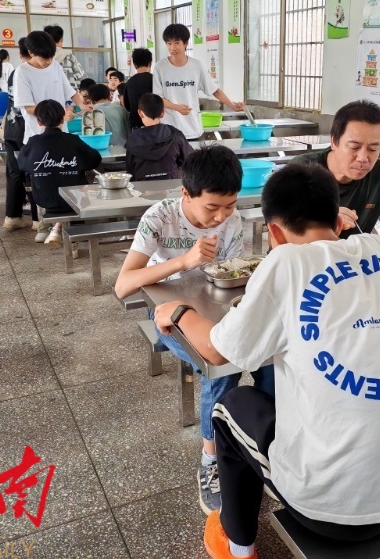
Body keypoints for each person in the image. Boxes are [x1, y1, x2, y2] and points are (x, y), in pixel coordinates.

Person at [152, 163, 380, 558]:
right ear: (338, 219)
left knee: (230, 407)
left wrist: (178, 312)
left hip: (336, 513)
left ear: (275, 233)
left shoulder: (285, 262)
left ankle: (237, 545)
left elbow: (217, 351)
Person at [114, 145, 275, 515]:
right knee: (220, 367)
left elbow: (230, 275)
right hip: (168, 317)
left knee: (270, 361)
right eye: (213, 207)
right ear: (186, 194)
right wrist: (184, 261)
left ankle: (267, 444)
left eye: (230, 206)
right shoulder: (160, 217)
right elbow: (123, 286)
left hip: (215, 309)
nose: (222, 216)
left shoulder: (232, 222)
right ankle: (211, 460)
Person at [292, 100, 380, 249]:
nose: (363, 158)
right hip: (307, 256)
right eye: (354, 147)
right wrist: (323, 220)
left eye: (373, 149)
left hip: (355, 258)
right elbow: (280, 225)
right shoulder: (302, 170)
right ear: (334, 142)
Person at [17, 100, 101, 246]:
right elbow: (95, 160)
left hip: (44, 198)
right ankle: (71, 232)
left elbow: (22, 165)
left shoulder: (33, 143)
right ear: (63, 119)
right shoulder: (73, 140)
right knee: (83, 177)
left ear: (39, 122)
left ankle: (47, 228)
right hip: (74, 199)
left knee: (42, 181)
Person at [153, 23, 244, 140]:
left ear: (186, 43)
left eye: (177, 43)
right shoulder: (160, 67)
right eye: (169, 43)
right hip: (168, 130)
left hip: (193, 129)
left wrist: (232, 105)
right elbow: (158, 99)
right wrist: (176, 107)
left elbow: (215, 90)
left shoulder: (196, 66)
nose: (172, 48)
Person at [13, 30, 87, 148]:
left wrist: (82, 106)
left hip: (61, 132)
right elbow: (29, 108)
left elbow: (70, 91)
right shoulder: (22, 72)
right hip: (38, 136)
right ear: (31, 53)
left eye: (51, 57)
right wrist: (58, 117)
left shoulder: (55, 66)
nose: (49, 61)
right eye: (44, 58)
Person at [2, 37, 40, 233]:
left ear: (20, 54)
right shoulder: (30, 73)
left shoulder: (14, 73)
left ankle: (12, 217)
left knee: (14, 173)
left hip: (11, 130)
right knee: (35, 173)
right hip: (28, 131)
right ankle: (37, 219)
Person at [124, 93, 192, 181]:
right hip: (171, 186)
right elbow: (189, 160)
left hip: (142, 187)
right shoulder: (174, 134)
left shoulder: (133, 138)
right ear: (162, 113)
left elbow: (130, 170)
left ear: (140, 113)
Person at [43, 25, 87, 91]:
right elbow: (82, 79)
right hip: (71, 95)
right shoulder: (68, 56)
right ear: (61, 40)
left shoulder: (40, 58)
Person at [124, 48, 154, 129]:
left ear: (134, 65)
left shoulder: (129, 82)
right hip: (154, 123)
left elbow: (127, 105)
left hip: (136, 125)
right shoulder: (155, 79)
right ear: (150, 63)